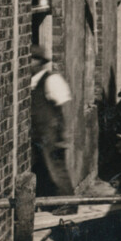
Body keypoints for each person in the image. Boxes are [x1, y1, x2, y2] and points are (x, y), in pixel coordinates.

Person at [29, 45, 77, 215]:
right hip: (38, 136)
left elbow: (65, 106)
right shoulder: (31, 83)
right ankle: (47, 204)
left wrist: (65, 133)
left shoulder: (52, 79)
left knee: (56, 170)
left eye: (33, 60)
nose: (29, 64)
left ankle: (68, 204)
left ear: (40, 62)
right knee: (42, 170)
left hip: (52, 135)